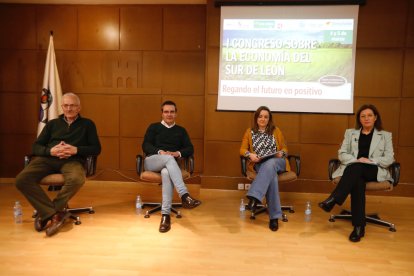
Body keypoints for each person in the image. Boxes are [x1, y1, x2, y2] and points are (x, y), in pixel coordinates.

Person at [15, 92, 101, 237]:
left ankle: (48, 212)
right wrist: (51, 151)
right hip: (48, 159)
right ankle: (54, 213)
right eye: (66, 105)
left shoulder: (88, 124)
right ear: (61, 107)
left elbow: (96, 148)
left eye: (72, 105)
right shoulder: (52, 124)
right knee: (21, 180)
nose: (69, 109)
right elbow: (36, 147)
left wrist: (76, 150)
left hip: (72, 160)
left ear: (79, 108)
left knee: (76, 179)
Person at [318, 104, 394, 242]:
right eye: (363, 116)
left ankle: (334, 199)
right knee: (357, 180)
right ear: (359, 119)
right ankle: (359, 227)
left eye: (370, 115)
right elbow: (342, 153)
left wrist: (370, 160)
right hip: (354, 169)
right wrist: (357, 160)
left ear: (375, 117)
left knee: (357, 169)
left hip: (373, 169)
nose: (366, 118)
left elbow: (389, 158)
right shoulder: (350, 133)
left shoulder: (385, 136)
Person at [142, 100, 201, 233]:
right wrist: (160, 152)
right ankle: (185, 195)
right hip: (152, 161)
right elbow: (145, 145)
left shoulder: (181, 131)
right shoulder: (154, 127)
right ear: (162, 113)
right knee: (168, 159)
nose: (169, 114)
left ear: (176, 114)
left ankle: (165, 215)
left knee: (166, 173)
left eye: (172, 112)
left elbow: (190, 148)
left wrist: (177, 153)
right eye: (166, 112)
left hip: (170, 166)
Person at [239, 106, 290, 232]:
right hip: (260, 164)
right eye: (260, 116)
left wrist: (281, 154)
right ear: (256, 118)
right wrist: (250, 155)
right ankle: (274, 217)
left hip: (278, 162)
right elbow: (242, 150)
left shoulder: (275, 130)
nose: (263, 119)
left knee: (271, 163)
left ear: (269, 119)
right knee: (270, 175)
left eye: (266, 117)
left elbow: (285, 149)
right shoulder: (249, 131)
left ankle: (254, 197)